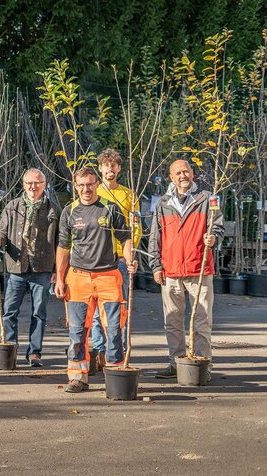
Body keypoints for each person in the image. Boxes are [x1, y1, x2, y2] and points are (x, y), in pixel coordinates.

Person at [54, 167, 137, 393]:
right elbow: (63, 247)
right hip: (78, 278)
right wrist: (60, 279)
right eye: (81, 185)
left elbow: (126, 238)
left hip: (109, 276)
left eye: (90, 184)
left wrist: (130, 259)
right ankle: (78, 377)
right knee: (78, 331)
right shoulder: (69, 212)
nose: (86, 189)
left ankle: (115, 373)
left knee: (114, 329)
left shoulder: (110, 209)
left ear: (96, 183)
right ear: (75, 186)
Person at [149, 159, 222, 381]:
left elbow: (217, 225)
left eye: (186, 171)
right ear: (171, 177)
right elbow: (155, 236)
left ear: (193, 173)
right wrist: (155, 265)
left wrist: (214, 238)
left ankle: (202, 364)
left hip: (199, 269)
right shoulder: (163, 203)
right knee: (172, 320)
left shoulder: (207, 199)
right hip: (170, 271)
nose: (183, 175)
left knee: (202, 320)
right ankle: (176, 362)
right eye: (178, 173)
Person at [0, 168, 59, 368]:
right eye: (29, 183)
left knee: (39, 313)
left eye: (37, 183)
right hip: (16, 267)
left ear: (44, 184)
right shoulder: (12, 207)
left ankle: (34, 353)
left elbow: (60, 241)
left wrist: (58, 270)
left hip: (42, 268)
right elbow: (2, 231)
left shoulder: (53, 210)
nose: (33, 186)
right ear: (23, 185)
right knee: (9, 311)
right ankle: (11, 348)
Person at [88, 148, 140, 373]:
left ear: (119, 168)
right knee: (98, 309)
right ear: (100, 168)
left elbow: (135, 227)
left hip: (120, 258)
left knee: (119, 308)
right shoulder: (93, 192)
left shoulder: (129, 195)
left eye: (114, 165)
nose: (110, 169)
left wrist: (130, 253)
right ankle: (99, 350)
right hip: (98, 259)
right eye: (106, 165)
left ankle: (118, 350)